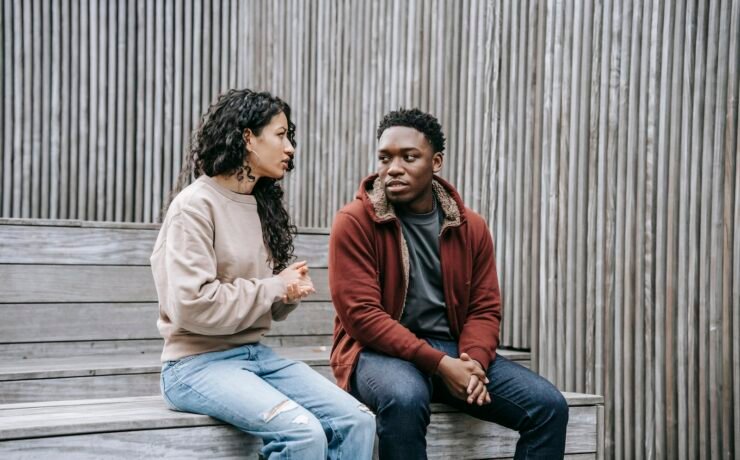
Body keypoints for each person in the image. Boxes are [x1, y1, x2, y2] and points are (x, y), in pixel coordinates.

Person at [329, 108, 569, 459]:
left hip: (455, 348)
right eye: (385, 158)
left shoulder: (470, 226)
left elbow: (484, 307)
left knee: (549, 407)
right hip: (378, 352)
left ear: (435, 161)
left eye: (409, 157)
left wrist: (473, 365)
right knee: (405, 398)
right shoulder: (354, 222)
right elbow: (362, 316)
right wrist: (441, 365)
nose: (393, 168)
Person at [151, 89, 375, 459]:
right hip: (193, 366)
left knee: (358, 421)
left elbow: (259, 301)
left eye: (290, 136)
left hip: (253, 355)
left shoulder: (259, 206)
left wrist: (284, 294)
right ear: (248, 138)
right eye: (280, 134)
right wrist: (273, 287)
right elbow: (191, 305)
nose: (290, 148)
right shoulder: (193, 207)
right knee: (302, 434)